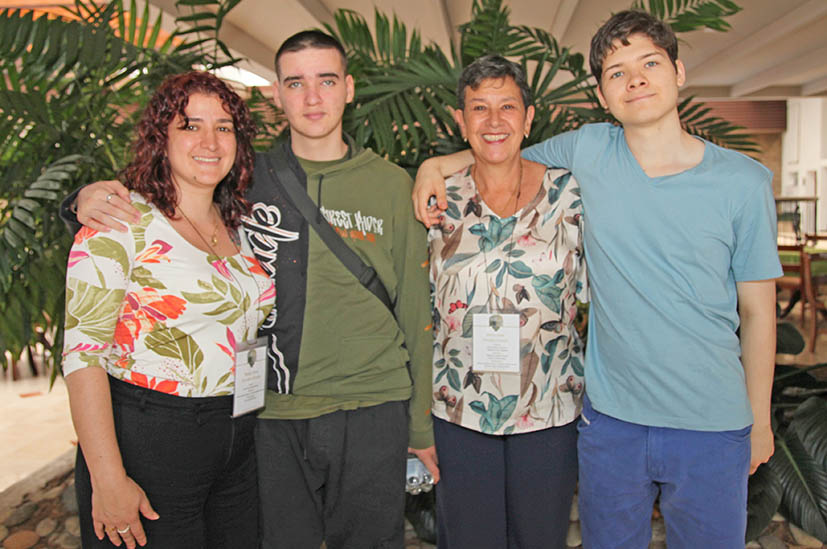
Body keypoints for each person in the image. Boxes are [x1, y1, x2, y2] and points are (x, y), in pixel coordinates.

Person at [413, 10, 779, 549]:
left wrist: (760, 420)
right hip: (612, 424)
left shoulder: (744, 183)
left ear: (678, 71)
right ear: (603, 96)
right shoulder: (587, 152)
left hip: (711, 423)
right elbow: (497, 148)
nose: (634, 80)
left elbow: (758, 312)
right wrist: (432, 166)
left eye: (649, 63)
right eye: (616, 72)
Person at [62, 31, 436, 548]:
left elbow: (418, 306)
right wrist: (80, 198)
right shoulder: (245, 178)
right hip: (264, 418)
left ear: (349, 89)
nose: (312, 97)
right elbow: (87, 342)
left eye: (326, 81)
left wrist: (421, 427)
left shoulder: (390, 183)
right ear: (276, 93)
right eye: (295, 83)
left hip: (335, 413)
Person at [62, 71, 274, 549]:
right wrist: (108, 478)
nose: (210, 141)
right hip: (151, 439)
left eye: (224, 127)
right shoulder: (119, 223)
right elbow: (82, 357)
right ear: (161, 136)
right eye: (190, 125)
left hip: (235, 436)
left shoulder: (237, 223)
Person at [429, 55, 584, 548]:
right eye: (479, 108)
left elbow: (591, 294)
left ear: (529, 117)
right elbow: (416, 305)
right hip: (460, 409)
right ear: (461, 121)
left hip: (550, 407)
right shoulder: (437, 200)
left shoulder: (568, 194)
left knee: (541, 538)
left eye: (508, 107)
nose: (494, 122)